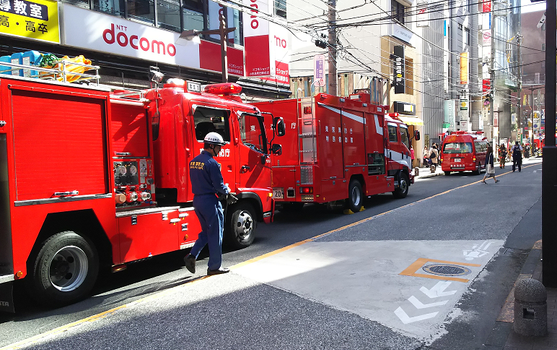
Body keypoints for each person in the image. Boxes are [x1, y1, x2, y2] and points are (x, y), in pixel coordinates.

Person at [184, 132, 237, 276]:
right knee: (216, 234)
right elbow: (218, 184)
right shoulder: (212, 163)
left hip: (198, 201)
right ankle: (214, 267)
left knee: (207, 232)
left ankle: (192, 255)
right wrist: (227, 193)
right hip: (210, 202)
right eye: (219, 147)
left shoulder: (194, 161)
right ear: (212, 146)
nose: (220, 150)